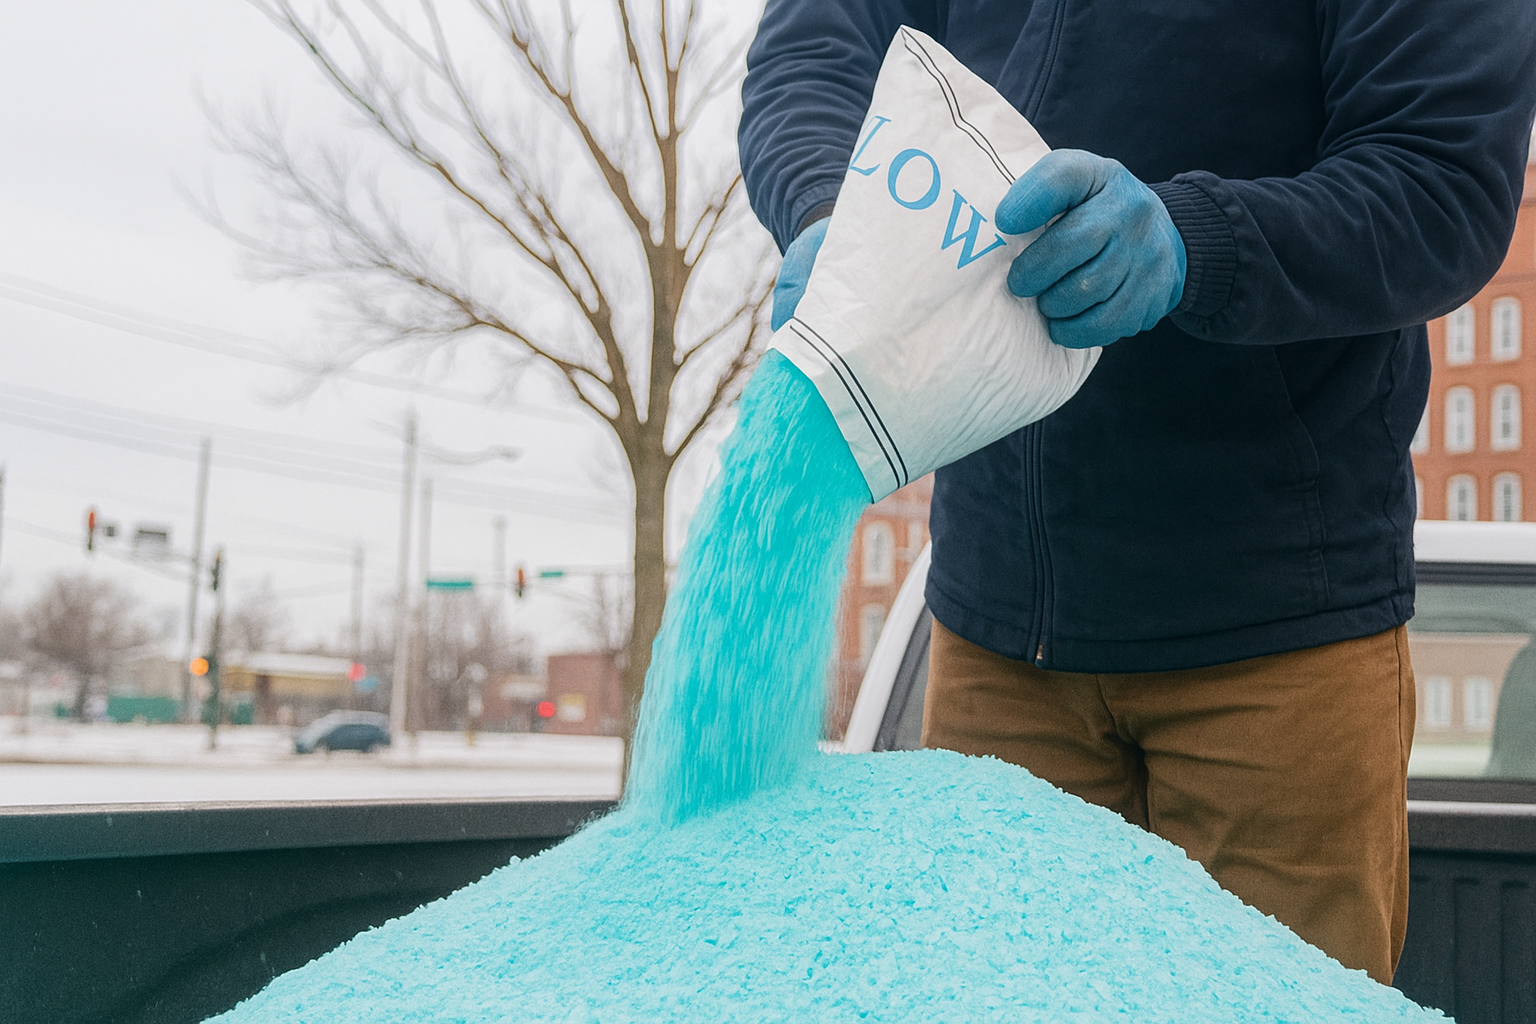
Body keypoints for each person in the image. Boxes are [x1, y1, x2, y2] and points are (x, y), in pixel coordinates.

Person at [740, 0, 1536, 985]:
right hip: (994, 633)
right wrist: (828, 209)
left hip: (1273, 639)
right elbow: (818, 43)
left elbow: (1441, 177)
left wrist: (1200, 242)